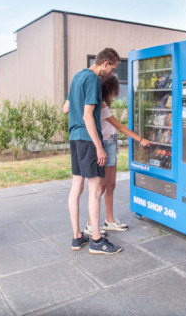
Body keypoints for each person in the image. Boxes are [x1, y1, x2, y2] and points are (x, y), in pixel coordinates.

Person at [63, 48, 122, 255]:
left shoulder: (77, 77)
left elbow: (65, 108)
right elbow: (88, 116)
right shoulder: (94, 80)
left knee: (76, 188)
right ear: (105, 63)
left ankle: (77, 237)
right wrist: (99, 147)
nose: (112, 73)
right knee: (96, 189)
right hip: (88, 139)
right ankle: (97, 239)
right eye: (112, 68)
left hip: (74, 138)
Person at [83, 74, 150, 235]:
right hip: (106, 145)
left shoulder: (102, 104)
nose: (116, 93)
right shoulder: (101, 106)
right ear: (109, 89)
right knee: (102, 187)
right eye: (114, 90)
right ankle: (92, 224)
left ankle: (109, 220)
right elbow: (120, 126)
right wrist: (140, 139)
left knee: (111, 185)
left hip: (111, 144)